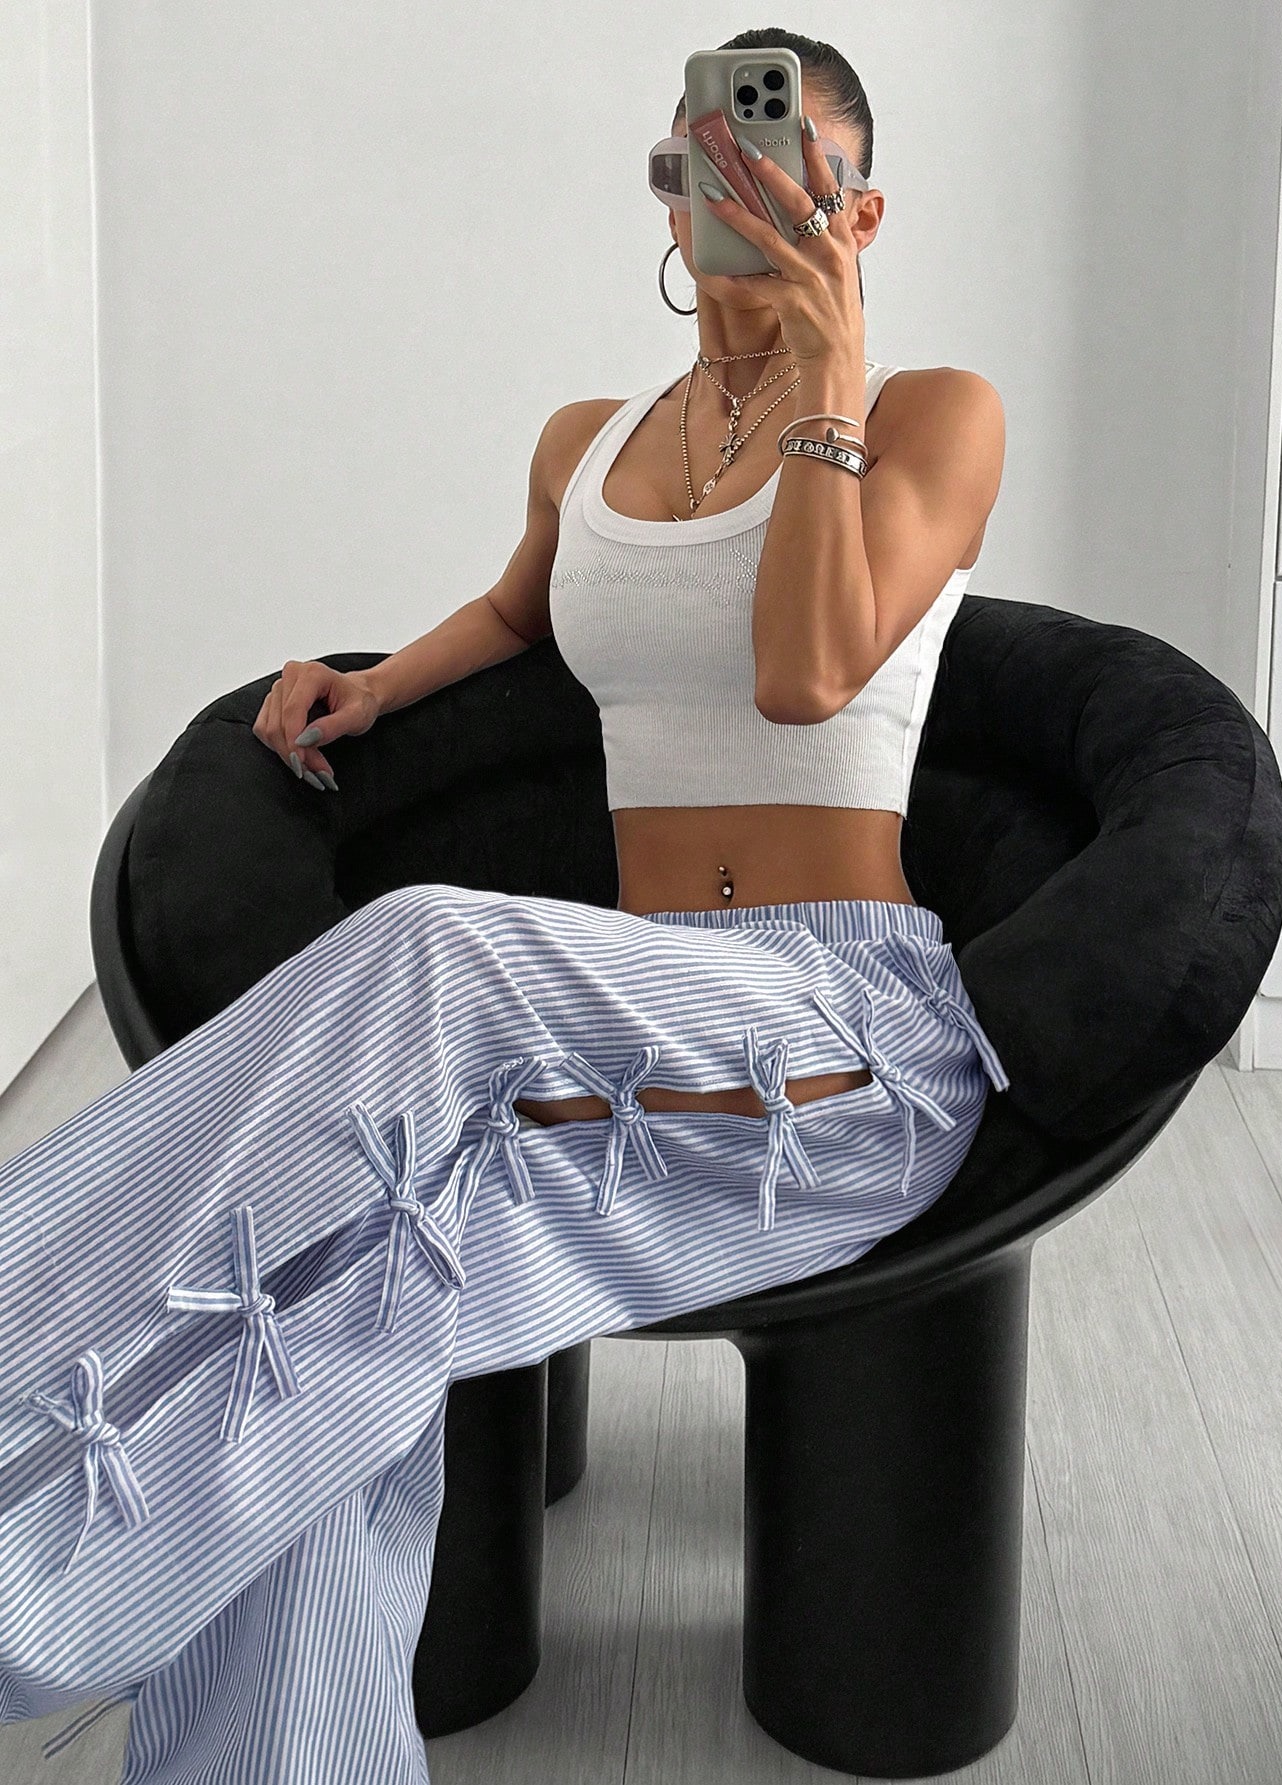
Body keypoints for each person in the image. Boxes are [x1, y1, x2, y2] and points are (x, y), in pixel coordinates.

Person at [0, 28, 1008, 1785]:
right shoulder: (586, 442)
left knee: (427, 950)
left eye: (799, 172)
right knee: (336, 1294)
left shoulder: (929, 414)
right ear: (668, 190)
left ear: (862, 213)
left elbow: (804, 672)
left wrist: (828, 370)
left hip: (838, 1045)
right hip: (613, 1049)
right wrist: (377, 686)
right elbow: (524, 609)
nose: (754, 194)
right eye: (716, 162)